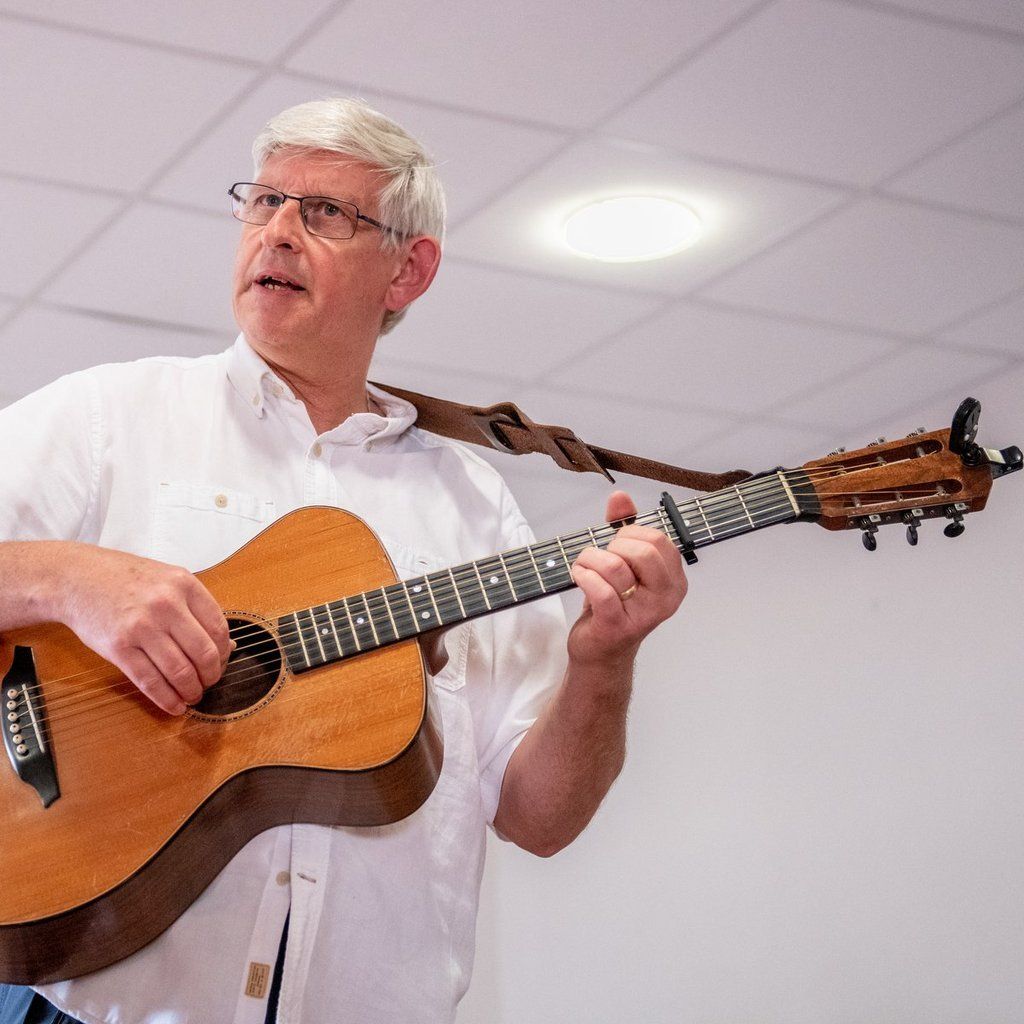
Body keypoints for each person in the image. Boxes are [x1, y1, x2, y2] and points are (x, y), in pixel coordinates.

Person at [0, 97, 686, 1023]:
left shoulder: (474, 507)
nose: (278, 231)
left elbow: (540, 816)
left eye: (322, 212)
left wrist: (606, 662)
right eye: (263, 202)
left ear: (409, 269)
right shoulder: (108, 417)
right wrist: (72, 581)